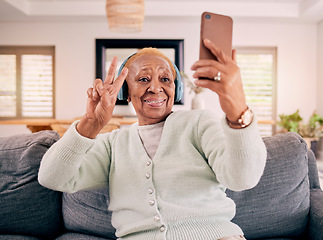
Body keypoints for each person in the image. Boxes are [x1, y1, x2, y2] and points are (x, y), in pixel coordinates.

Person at [38, 38, 267, 240]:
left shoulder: (198, 124)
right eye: (144, 79)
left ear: (175, 90)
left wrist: (238, 112)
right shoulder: (113, 144)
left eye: (165, 79)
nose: (156, 88)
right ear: (125, 92)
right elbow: (52, 177)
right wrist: (91, 124)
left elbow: (242, 178)